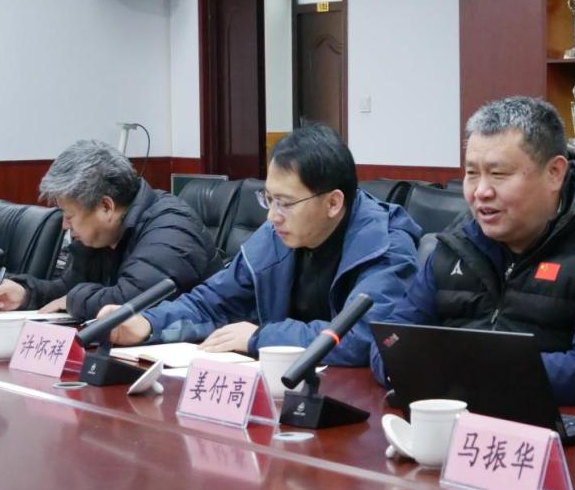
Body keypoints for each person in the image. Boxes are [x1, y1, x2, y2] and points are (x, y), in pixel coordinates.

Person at [373, 97, 575, 408]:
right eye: (472, 173)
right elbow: (390, 344)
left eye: (499, 174)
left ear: (554, 173)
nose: (481, 191)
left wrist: (459, 369)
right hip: (461, 417)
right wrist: (445, 369)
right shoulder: (459, 240)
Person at [104, 123, 421, 367]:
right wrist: (147, 323)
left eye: (285, 202)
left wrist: (260, 337)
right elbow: (214, 300)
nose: (272, 216)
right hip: (284, 384)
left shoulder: (385, 246)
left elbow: (364, 339)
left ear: (333, 203)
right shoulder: (277, 235)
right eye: (268, 199)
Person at [0, 140, 219, 321]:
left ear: (106, 207)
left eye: (69, 215)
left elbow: (130, 303)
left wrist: (71, 300)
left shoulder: (171, 229)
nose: (65, 225)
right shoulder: (100, 235)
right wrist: (26, 294)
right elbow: (68, 289)